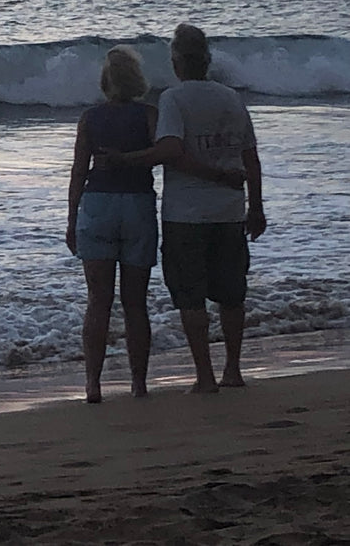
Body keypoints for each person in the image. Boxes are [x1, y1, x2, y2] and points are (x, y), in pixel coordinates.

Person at [108, 24, 265, 394]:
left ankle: (205, 376)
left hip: (187, 212)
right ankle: (233, 369)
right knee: (232, 293)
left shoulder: (174, 99)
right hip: (230, 210)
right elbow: (250, 157)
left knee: (191, 295)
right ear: (207, 60)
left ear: (176, 61)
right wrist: (256, 205)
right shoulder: (231, 97)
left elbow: (171, 151)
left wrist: (125, 159)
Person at [66, 45, 157, 403]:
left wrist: (72, 218)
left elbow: (78, 171)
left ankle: (93, 383)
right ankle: (138, 382)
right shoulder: (149, 115)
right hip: (137, 204)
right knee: (135, 302)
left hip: (98, 204)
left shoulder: (90, 118)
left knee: (98, 301)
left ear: (105, 81)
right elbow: (161, 155)